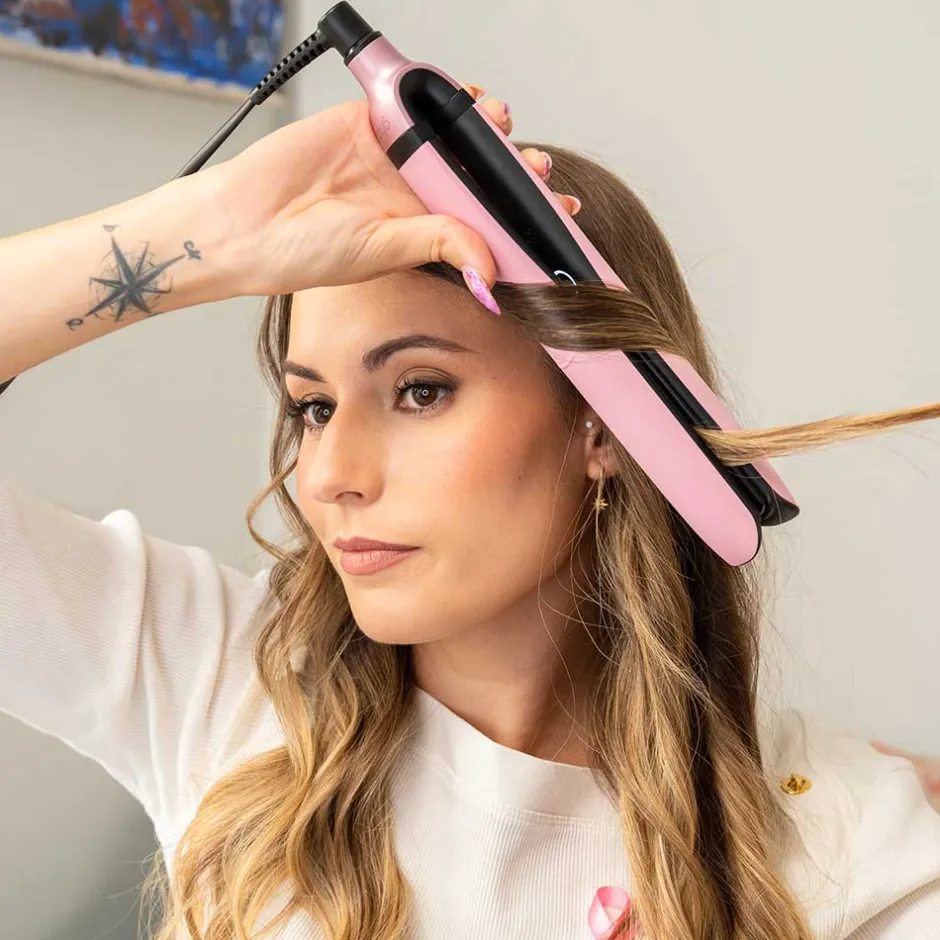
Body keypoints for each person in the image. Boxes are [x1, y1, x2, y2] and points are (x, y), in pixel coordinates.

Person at [1, 84, 939, 940]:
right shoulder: (213, 680)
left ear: (605, 421)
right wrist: (209, 231)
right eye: (313, 407)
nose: (329, 475)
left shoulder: (840, 839)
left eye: (419, 390)